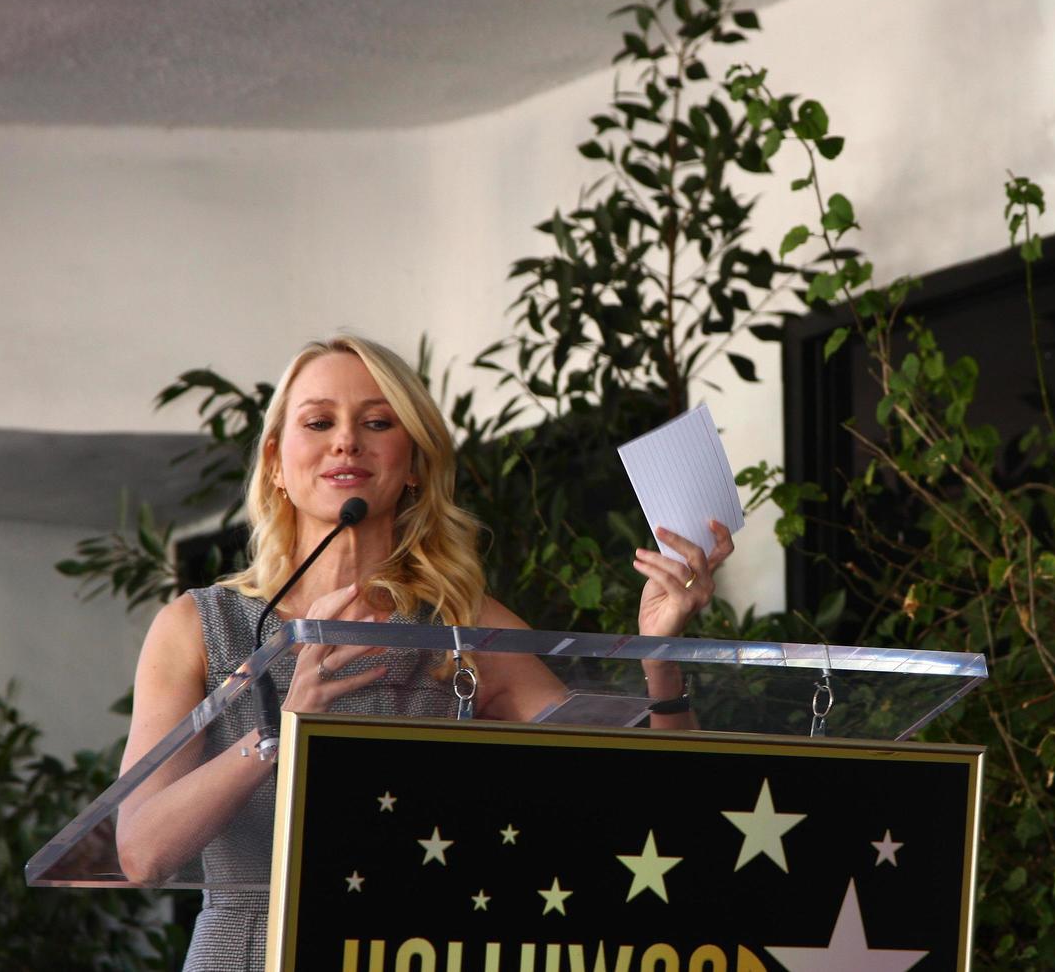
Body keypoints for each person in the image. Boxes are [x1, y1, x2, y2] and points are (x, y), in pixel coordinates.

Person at [115, 334, 733, 971]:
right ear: (276, 462)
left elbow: (647, 805)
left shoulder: (464, 627)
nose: (346, 440)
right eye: (319, 421)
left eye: (377, 422)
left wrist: (661, 656)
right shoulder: (199, 625)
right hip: (247, 952)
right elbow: (142, 854)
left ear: (412, 463)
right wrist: (277, 732)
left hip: (405, 947)